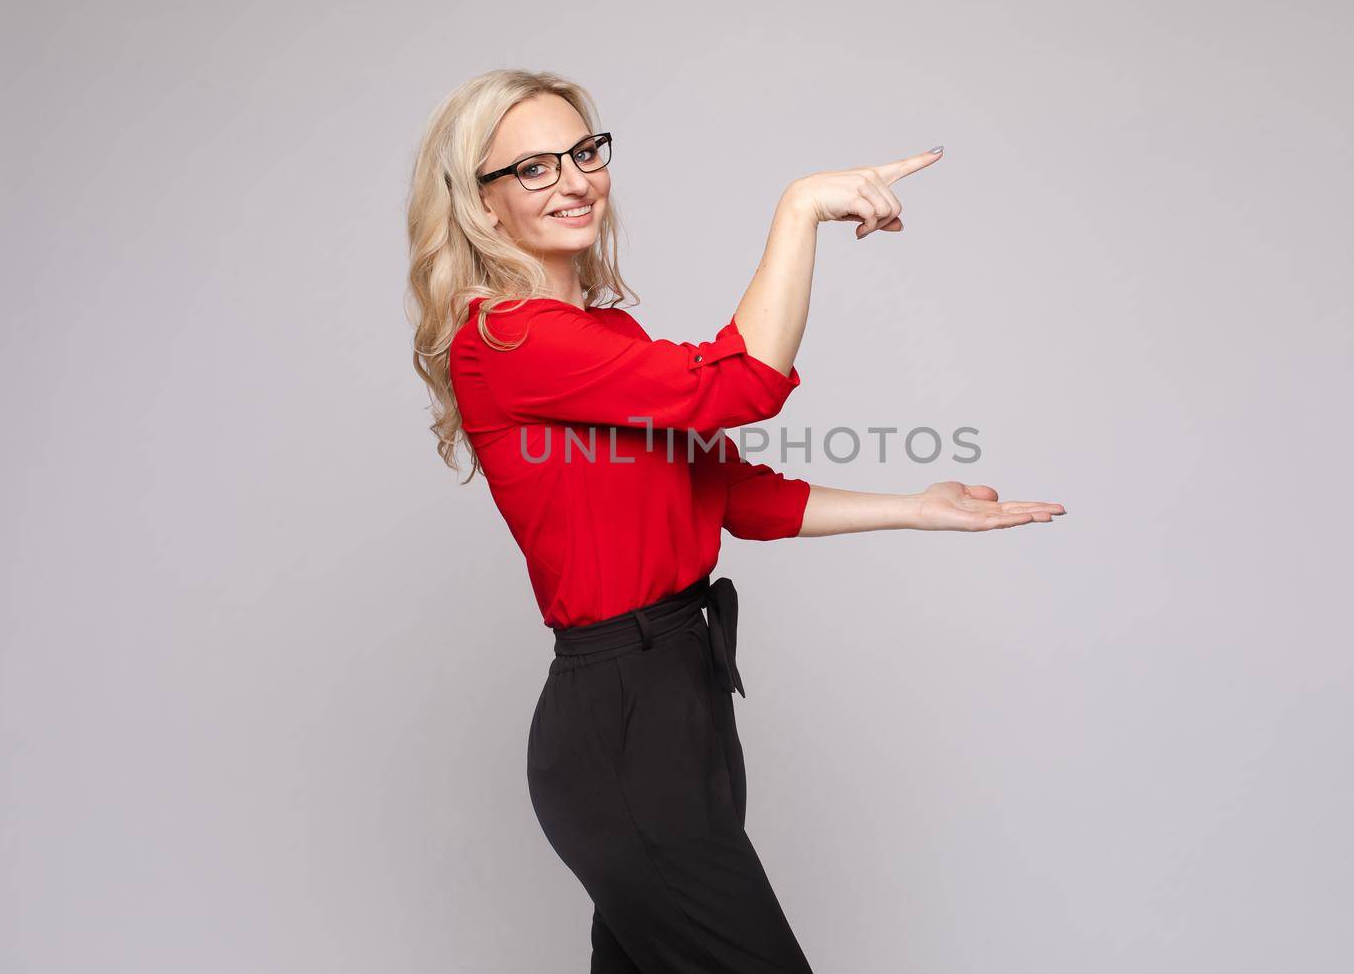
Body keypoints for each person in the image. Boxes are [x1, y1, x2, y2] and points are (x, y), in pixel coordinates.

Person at [405, 69, 1065, 972]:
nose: (572, 180)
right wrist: (799, 208)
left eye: (584, 152)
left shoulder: (602, 339)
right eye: (530, 167)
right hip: (624, 724)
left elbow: (731, 494)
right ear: (478, 204)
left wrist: (916, 507)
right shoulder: (507, 341)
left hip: (686, 702)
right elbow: (739, 383)